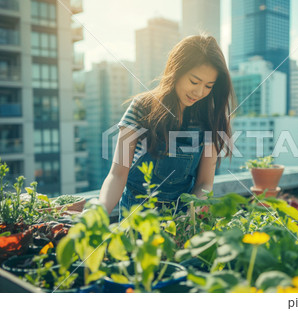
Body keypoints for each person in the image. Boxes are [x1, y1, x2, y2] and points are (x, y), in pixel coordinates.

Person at [99, 35, 235, 217]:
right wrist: (97, 217)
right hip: (137, 217)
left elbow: (204, 184)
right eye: (194, 82)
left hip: (181, 217)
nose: (199, 92)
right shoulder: (142, 107)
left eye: (208, 86)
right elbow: (117, 175)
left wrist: (188, 219)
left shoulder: (208, 119)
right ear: (176, 71)